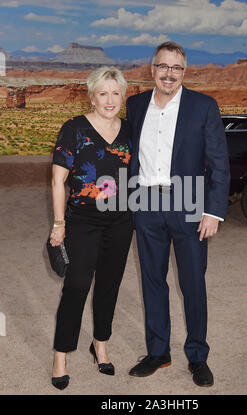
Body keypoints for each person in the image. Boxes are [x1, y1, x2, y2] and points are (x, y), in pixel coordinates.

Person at [126, 42, 230, 387]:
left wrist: (213, 211)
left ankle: (198, 355)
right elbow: (130, 158)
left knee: (192, 283)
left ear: (184, 72)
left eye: (176, 68)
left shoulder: (203, 106)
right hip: (146, 205)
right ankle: (158, 351)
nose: (169, 73)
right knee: (152, 281)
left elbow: (218, 163)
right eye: (163, 66)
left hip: (188, 206)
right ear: (151, 68)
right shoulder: (136, 104)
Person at [50, 66, 133, 390]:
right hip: (82, 221)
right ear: (92, 96)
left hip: (121, 221)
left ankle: (100, 344)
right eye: (103, 93)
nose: (110, 100)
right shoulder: (74, 129)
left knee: (109, 286)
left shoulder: (129, 130)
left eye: (115, 93)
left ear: (123, 96)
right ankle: (61, 353)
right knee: (77, 286)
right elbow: (58, 181)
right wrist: (58, 224)